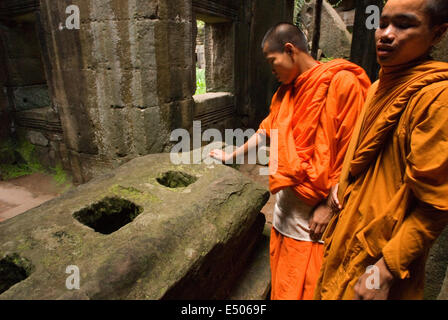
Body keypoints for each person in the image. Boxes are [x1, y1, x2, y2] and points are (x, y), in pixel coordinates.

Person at [209, 23, 370, 300]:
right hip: (286, 213)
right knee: (284, 285)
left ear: (289, 50)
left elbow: (354, 156)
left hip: (318, 220)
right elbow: (265, 131)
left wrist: (329, 208)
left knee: (310, 289)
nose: (272, 71)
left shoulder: (343, 84)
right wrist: (230, 156)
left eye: (273, 62)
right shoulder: (285, 92)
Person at [314, 0, 448, 300]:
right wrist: (340, 183)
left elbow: (436, 207)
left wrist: (384, 271)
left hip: (379, 257)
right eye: (382, 22)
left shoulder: (438, 98)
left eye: (403, 25)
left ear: (438, 33)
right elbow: (362, 153)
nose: (385, 34)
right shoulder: (378, 87)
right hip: (347, 230)